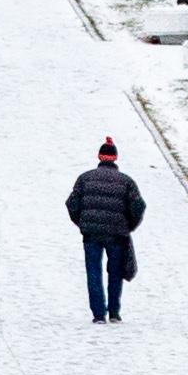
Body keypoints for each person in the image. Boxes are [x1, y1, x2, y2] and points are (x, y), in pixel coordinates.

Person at [67, 136, 144, 325]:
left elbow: (71, 204)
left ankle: (99, 314)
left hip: (91, 234)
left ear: (99, 157)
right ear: (115, 158)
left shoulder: (84, 179)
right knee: (115, 272)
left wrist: (83, 223)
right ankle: (115, 312)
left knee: (93, 271)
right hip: (117, 233)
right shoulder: (126, 182)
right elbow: (138, 206)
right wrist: (128, 226)